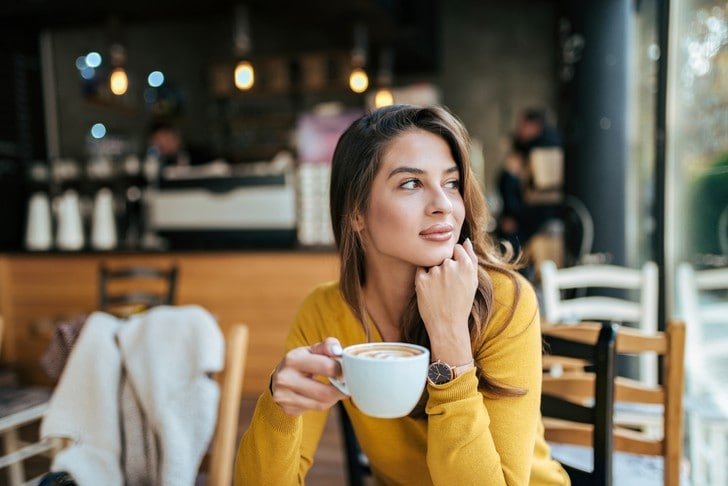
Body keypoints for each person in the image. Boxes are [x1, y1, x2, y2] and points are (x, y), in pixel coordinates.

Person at [235, 105, 569, 485]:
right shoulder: (327, 311)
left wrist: (449, 339)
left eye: (452, 183)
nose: (443, 204)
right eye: (411, 183)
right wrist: (279, 408)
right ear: (357, 212)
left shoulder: (506, 302)